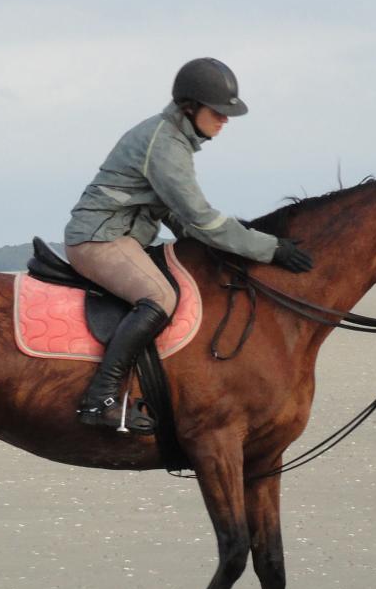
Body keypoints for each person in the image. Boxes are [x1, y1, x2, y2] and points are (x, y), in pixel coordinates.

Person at [64, 57, 314, 434]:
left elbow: (176, 215)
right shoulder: (164, 144)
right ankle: (102, 398)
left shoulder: (173, 138)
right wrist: (269, 248)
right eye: (218, 111)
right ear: (189, 107)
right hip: (100, 239)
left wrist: (223, 242)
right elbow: (202, 219)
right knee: (159, 297)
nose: (225, 120)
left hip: (124, 236)